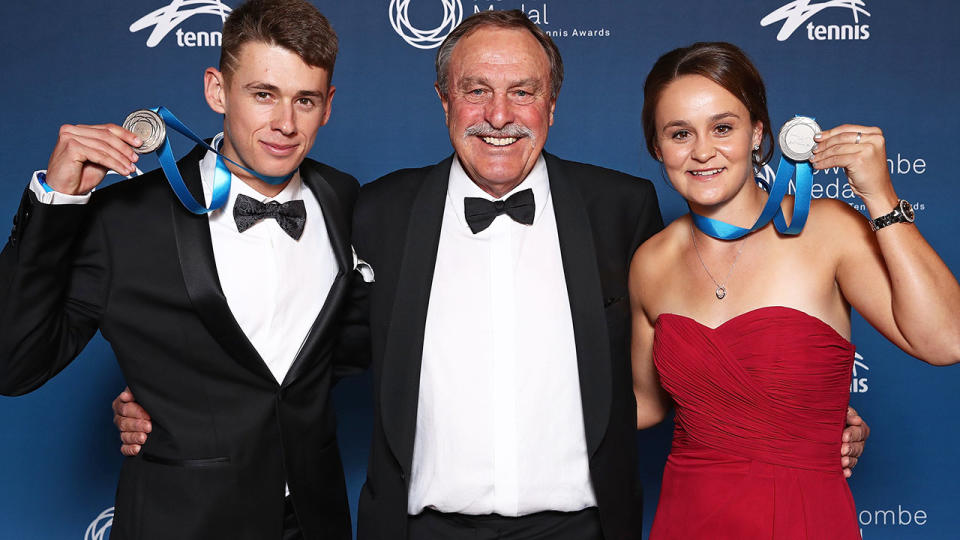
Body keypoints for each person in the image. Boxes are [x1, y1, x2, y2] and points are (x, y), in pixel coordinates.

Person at [114, 12, 869, 539]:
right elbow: (305, 350)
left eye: (523, 91)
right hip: (418, 531)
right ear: (444, 99)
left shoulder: (622, 210)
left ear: (553, 102)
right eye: (476, 89)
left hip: (582, 528)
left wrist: (798, 420)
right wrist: (182, 398)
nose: (499, 113)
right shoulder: (373, 210)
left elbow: (686, 345)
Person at [0, 1, 367, 538]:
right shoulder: (126, 219)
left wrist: (203, 400)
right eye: (263, 94)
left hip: (314, 520)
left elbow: (341, 350)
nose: (285, 124)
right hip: (182, 522)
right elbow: (14, 364)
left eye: (304, 100)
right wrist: (55, 203)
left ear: (328, 105)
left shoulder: (345, 199)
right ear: (217, 90)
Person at [629, 41, 960, 539]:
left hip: (803, 518)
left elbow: (947, 340)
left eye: (723, 127)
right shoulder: (650, 262)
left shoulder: (826, 228)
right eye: (679, 133)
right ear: (657, 146)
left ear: (758, 131)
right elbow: (644, 405)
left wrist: (879, 196)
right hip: (686, 516)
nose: (702, 151)